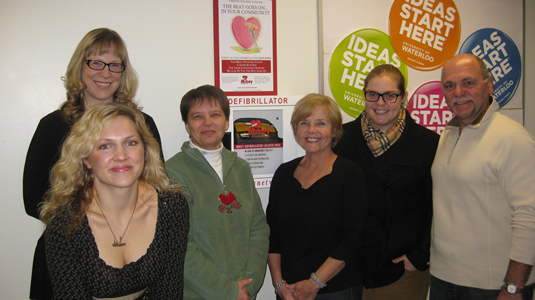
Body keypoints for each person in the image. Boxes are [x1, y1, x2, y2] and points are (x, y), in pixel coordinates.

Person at [22, 28, 163, 299]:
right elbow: (33, 200)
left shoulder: (143, 125)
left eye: (114, 65)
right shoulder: (52, 127)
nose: (105, 73)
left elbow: (156, 188)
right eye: (96, 62)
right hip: (67, 253)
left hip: (134, 254)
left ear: (123, 72)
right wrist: (95, 225)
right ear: (80, 67)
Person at [40, 103, 188, 298]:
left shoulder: (172, 207)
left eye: (130, 143)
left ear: (145, 150)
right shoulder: (65, 222)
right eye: (105, 146)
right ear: (86, 159)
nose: (121, 156)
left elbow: (169, 292)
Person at [429, 53, 535, 300]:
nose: (458, 92)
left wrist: (513, 287)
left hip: (492, 288)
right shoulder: (449, 134)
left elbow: (529, 217)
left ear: (489, 85)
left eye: (468, 82)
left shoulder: (513, 139)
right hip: (444, 280)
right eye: (449, 85)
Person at [334, 64, 438, 300]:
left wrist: (419, 255)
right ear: (364, 96)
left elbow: (437, 206)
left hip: (403, 270)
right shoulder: (342, 140)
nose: (380, 103)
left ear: (404, 98)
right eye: (373, 95)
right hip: (351, 268)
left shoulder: (429, 144)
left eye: (390, 95)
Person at [165, 85, 270, 300]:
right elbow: (179, 245)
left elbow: (258, 228)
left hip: (245, 291)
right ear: (186, 125)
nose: (207, 122)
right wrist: (228, 291)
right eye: (197, 116)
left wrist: (248, 285)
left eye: (215, 114)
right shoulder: (171, 173)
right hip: (198, 294)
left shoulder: (241, 168)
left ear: (227, 121)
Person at [267, 93, 368, 300]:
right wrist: (279, 285)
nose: (311, 130)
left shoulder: (350, 174)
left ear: (334, 131)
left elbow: (352, 239)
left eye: (321, 123)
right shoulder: (284, 174)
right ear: (296, 130)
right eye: (304, 123)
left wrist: (314, 283)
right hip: (289, 292)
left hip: (335, 290)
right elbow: (273, 235)